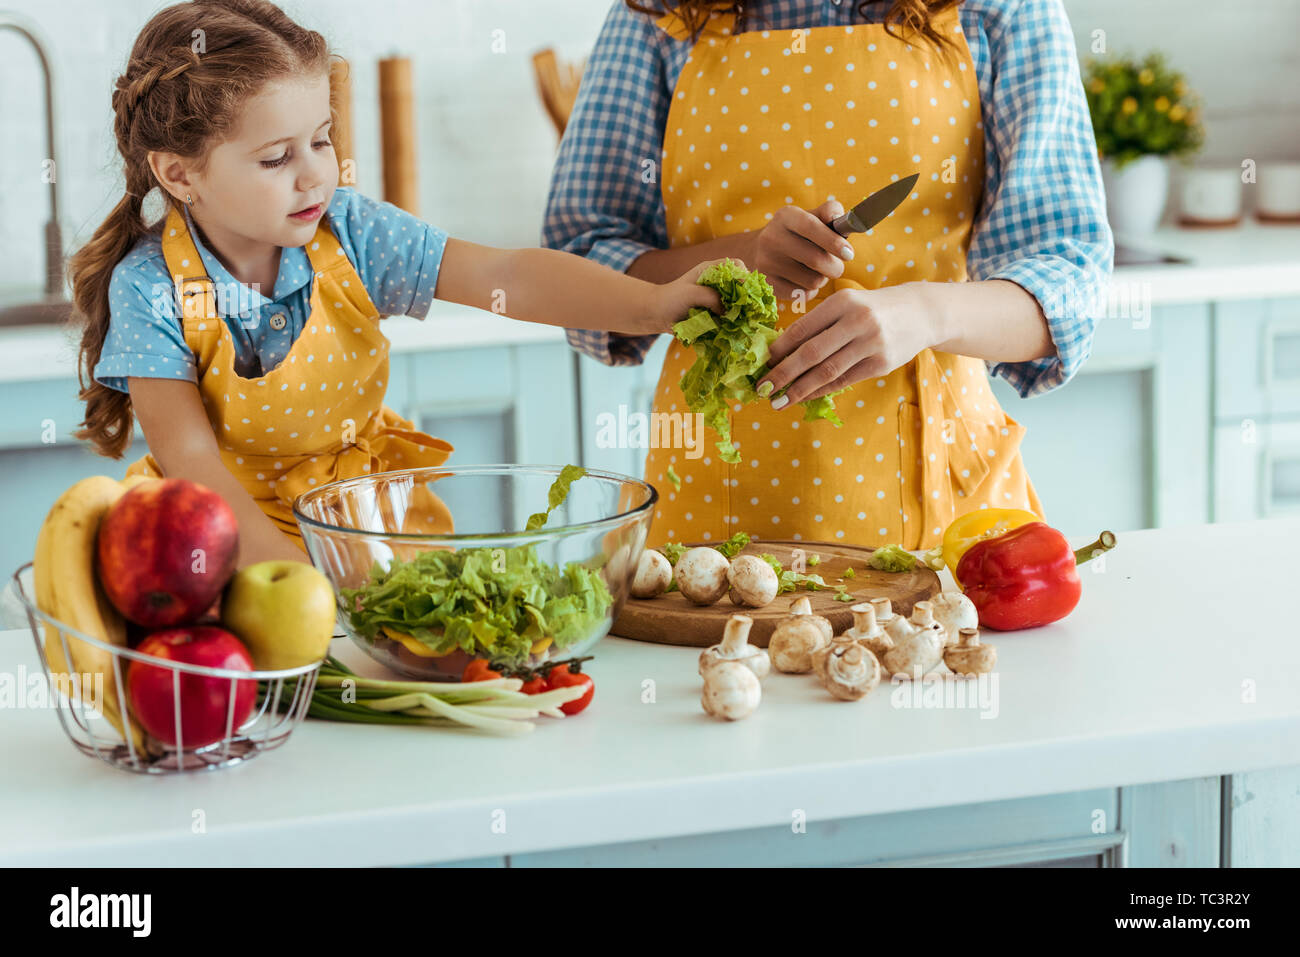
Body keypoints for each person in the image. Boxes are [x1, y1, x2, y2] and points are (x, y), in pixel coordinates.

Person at [71, 0, 719, 567]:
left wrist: (650, 304)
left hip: (367, 519)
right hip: (219, 537)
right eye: (276, 158)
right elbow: (193, 463)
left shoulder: (349, 230)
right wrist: (295, 580)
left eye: (321, 141)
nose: (314, 176)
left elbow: (504, 274)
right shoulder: (149, 287)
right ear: (179, 175)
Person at [543, 0, 1114, 549]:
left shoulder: (1004, 8)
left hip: (943, 513)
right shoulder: (660, 13)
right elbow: (581, 261)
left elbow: (1068, 285)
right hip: (711, 520)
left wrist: (926, 312)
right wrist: (740, 259)